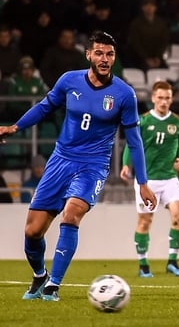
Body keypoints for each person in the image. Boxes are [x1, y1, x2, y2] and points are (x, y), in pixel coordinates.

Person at [0, 30, 156, 302]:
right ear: (89, 54)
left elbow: (134, 141)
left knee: (71, 215)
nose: (105, 59)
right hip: (60, 161)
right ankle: (40, 276)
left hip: (92, 166)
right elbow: (44, 107)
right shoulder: (69, 81)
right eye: (99, 53)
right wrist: (16, 126)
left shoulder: (124, 94)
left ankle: (54, 286)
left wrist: (142, 182)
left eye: (109, 54)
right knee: (32, 231)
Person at [120, 81, 179, 278]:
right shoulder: (142, 121)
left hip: (170, 179)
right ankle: (143, 264)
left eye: (167, 98)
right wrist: (126, 164)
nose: (164, 101)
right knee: (145, 221)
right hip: (146, 180)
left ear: (171, 99)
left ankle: (172, 261)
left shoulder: (178, 122)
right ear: (153, 98)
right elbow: (130, 145)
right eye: (160, 97)